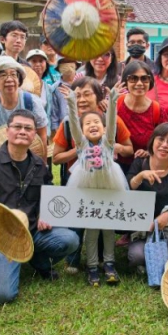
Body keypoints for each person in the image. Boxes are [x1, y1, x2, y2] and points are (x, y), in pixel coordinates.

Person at [0, 110, 80, 304]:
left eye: (28, 128)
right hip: (3, 238)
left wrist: (45, 213)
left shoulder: (40, 166)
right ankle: (9, 262)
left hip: (33, 231)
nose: (22, 131)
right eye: (17, 127)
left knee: (70, 240)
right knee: (3, 296)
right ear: (8, 131)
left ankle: (39, 262)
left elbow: (48, 195)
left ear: (34, 134)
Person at [65, 88, 128, 286]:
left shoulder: (108, 143)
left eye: (96, 123)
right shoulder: (81, 145)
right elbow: (73, 125)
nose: (93, 126)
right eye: (88, 124)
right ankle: (92, 266)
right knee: (91, 231)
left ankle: (108, 263)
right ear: (82, 130)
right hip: (87, 189)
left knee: (108, 229)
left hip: (109, 188)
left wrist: (113, 104)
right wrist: (71, 104)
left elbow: (112, 126)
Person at [126, 123, 168, 272]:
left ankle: (163, 257)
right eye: (160, 139)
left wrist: (167, 215)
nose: (164, 145)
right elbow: (128, 188)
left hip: (167, 229)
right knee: (137, 256)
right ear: (153, 141)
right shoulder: (140, 162)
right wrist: (141, 176)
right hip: (140, 229)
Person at [52, 76, 133, 187]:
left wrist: (113, 101)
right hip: (82, 179)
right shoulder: (68, 124)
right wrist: (81, 149)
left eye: (87, 94)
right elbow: (56, 159)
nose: (81, 100)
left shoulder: (110, 127)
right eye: (78, 96)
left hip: (109, 180)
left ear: (98, 97)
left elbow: (112, 125)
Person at [0, 56, 48, 148]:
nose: (9, 79)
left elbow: (42, 137)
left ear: (19, 80)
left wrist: (42, 162)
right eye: (3, 75)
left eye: (13, 74)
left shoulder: (32, 102)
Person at [117, 61, 165, 170]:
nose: (139, 83)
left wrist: (149, 152)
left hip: (146, 168)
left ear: (150, 82)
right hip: (116, 167)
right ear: (125, 82)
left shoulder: (156, 110)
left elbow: (164, 139)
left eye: (144, 79)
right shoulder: (116, 104)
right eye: (133, 78)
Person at [0, 21, 29, 102]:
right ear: (2, 39)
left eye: (22, 37)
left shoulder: (27, 67)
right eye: (14, 35)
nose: (19, 40)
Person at [49, 56, 79, 150]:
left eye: (70, 61)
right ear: (59, 68)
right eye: (64, 63)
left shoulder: (84, 83)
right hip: (65, 129)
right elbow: (54, 113)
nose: (67, 65)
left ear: (76, 65)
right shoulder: (55, 88)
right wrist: (58, 132)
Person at [27, 49, 56, 135]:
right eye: (34, 61)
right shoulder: (22, 86)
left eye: (41, 61)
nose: (38, 64)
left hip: (44, 133)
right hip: (27, 132)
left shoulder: (48, 88)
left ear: (46, 65)